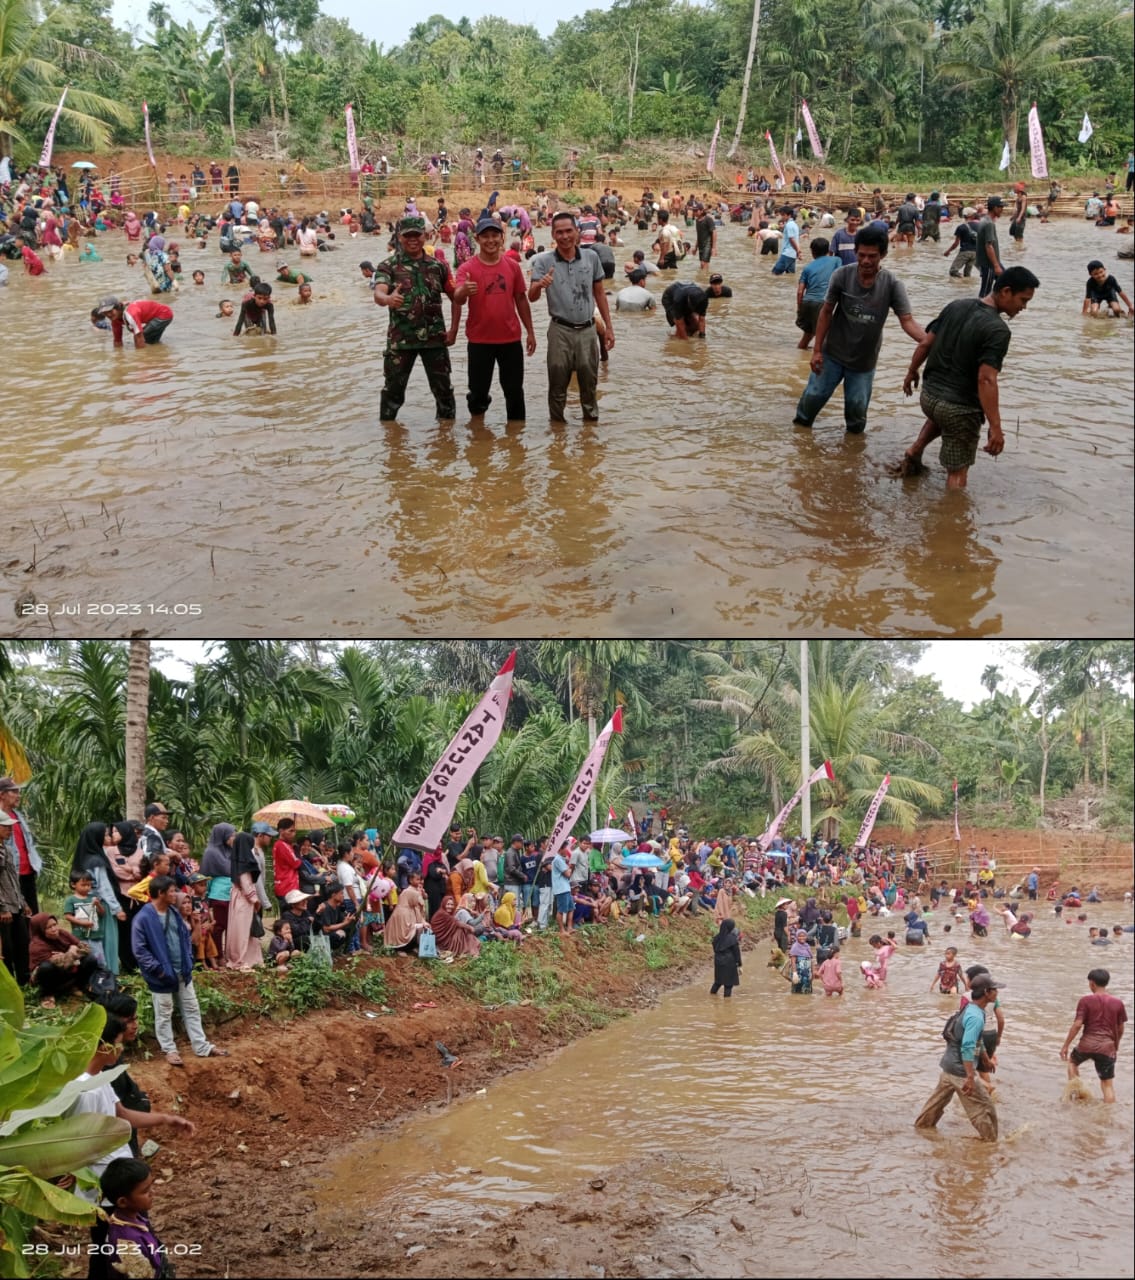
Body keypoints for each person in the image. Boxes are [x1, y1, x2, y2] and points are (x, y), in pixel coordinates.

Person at [892, 266, 1039, 488]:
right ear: (1006, 292)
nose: (1024, 307)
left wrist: (911, 372)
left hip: (929, 398)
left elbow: (925, 343)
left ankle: (914, 452)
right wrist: (996, 427)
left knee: (943, 415)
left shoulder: (956, 306)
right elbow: (986, 379)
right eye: (1023, 300)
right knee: (957, 474)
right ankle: (950, 519)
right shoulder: (998, 330)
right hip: (959, 409)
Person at [793, 224, 925, 435]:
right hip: (832, 354)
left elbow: (907, 321)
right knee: (810, 403)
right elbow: (826, 312)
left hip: (863, 362)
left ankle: (852, 455)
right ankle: (799, 442)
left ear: (882, 254)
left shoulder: (892, 283)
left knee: (856, 415)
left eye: (872, 256)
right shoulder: (842, 275)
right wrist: (817, 350)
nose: (865, 261)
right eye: (861, 255)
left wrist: (930, 341)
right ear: (855, 252)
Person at [527, 212, 614, 422]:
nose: (565, 236)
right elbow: (531, 297)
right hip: (559, 330)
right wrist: (539, 284)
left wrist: (609, 328)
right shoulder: (543, 261)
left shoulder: (591, 257)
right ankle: (557, 434)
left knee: (589, 385)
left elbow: (599, 293)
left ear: (577, 232)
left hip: (587, 329)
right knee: (557, 385)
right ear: (553, 234)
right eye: (559, 232)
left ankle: (590, 434)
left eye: (569, 231)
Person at [450, 217, 537, 422]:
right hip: (480, 341)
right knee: (478, 393)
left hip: (510, 339)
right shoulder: (467, 269)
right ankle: (478, 433)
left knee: (514, 392)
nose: (490, 240)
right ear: (477, 239)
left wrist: (530, 332)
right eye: (485, 236)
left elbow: (521, 299)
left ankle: (516, 440)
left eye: (495, 235)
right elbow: (457, 299)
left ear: (501, 237)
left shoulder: (513, 266)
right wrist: (463, 291)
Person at [131, 876, 226, 1064]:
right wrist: (158, 971)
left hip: (182, 972)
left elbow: (185, 939)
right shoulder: (143, 918)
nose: (176, 894)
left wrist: (188, 962)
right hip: (162, 977)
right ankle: (169, 1050)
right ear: (160, 893)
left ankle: (201, 1046)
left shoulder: (173, 914)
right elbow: (140, 950)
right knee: (164, 1013)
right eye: (172, 891)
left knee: (192, 1008)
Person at [374, 215, 457, 422]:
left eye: (417, 235)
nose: (413, 239)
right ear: (400, 238)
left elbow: (456, 297)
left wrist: (454, 329)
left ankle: (446, 441)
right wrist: (388, 299)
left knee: (444, 392)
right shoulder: (388, 266)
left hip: (435, 339)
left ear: (426, 236)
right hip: (401, 340)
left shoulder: (438, 266)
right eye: (407, 235)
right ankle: (390, 441)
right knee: (392, 393)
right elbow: (379, 293)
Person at [914, 973, 1000, 1141]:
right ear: (987, 992)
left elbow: (976, 1040)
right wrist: (969, 1076)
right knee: (984, 1108)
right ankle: (990, 1144)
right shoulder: (976, 1016)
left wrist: (985, 1058)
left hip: (948, 1066)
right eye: (995, 990)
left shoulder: (972, 1009)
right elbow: (967, 1047)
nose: (997, 993)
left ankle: (921, 1130)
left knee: (934, 1107)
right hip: (960, 1070)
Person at [94, 1157, 173, 1280]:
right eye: (146, 1191)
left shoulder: (133, 1218)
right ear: (123, 1202)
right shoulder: (127, 1243)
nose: (153, 1193)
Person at [1060, 968, 1127, 1103]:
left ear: (1092, 983)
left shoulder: (1085, 1001)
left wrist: (1065, 1045)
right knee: (1107, 1085)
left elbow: (1077, 1024)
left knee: (1072, 1063)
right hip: (1107, 1048)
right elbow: (1120, 1028)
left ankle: (1079, 1096)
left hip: (1086, 1045)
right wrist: (1116, 1045)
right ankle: (1108, 1115)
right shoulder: (1118, 1003)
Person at [28, 912, 99, 1006]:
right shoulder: (37, 945)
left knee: (90, 959)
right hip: (53, 976)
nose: (54, 929)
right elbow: (60, 964)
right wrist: (71, 950)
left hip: (68, 971)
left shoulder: (62, 933)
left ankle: (77, 986)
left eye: (54, 924)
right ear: (40, 930)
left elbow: (86, 949)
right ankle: (47, 994)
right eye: (48, 927)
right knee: (46, 967)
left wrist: (70, 952)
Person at [0, 778, 42, 913]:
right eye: (14, 792)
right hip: (9, 875)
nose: (19, 795)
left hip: (27, 872)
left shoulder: (18, 816)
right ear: (2, 794)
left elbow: (28, 844)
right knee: (15, 916)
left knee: (32, 915)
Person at [225, 831, 264, 969]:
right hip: (244, 899)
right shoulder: (245, 862)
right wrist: (255, 900)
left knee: (240, 929)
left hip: (237, 897)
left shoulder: (236, 860)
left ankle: (244, 958)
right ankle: (240, 960)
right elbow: (246, 883)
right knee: (243, 931)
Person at [795, 237, 838, 350]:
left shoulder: (807, 268)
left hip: (806, 302)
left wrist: (800, 309)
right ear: (828, 250)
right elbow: (840, 277)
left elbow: (800, 292)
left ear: (812, 252)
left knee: (808, 334)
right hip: (821, 303)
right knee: (826, 336)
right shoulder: (836, 260)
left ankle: (800, 356)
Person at [93, 297, 174, 348]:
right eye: (105, 313)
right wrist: (118, 359)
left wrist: (139, 360)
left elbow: (139, 336)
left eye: (110, 311)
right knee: (151, 343)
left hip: (164, 314)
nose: (108, 315)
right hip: (154, 317)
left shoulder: (130, 313)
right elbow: (117, 341)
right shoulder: (115, 320)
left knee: (141, 337)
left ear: (117, 308)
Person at [976, 196, 1005, 298]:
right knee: (985, 292)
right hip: (989, 264)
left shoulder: (984, 220)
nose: (1002, 210)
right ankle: (981, 310)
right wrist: (996, 266)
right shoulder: (989, 224)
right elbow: (989, 246)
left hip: (990, 262)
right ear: (995, 208)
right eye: (1001, 207)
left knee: (1006, 281)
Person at [710, 917, 742, 997]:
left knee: (718, 982)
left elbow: (715, 949)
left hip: (718, 962)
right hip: (729, 963)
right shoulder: (732, 939)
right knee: (728, 985)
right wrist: (739, 965)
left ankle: (712, 997)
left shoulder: (717, 938)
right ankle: (727, 1005)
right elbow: (736, 953)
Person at [944, 207, 979, 277]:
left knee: (953, 271)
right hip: (976, 253)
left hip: (965, 252)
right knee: (967, 273)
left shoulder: (961, 227)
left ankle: (960, 282)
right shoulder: (980, 226)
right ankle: (966, 285)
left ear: (964, 216)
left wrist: (948, 251)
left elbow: (956, 243)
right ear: (973, 215)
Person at [771, 206, 801, 274]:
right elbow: (795, 239)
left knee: (774, 274)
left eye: (783, 215)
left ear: (789, 215)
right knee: (790, 274)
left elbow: (792, 239)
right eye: (781, 215)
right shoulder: (794, 224)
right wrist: (798, 251)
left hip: (787, 254)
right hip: (792, 255)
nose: (782, 217)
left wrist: (798, 251)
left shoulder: (789, 225)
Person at [788, 928, 813, 993]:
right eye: (800, 936)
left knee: (807, 992)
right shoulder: (795, 947)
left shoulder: (807, 946)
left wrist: (812, 973)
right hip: (798, 974)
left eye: (803, 936)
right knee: (797, 992)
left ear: (806, 936)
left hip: (807, 975)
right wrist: (794, 973)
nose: (802, 938)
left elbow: (810, 959)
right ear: (796, 937)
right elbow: (793, 961)